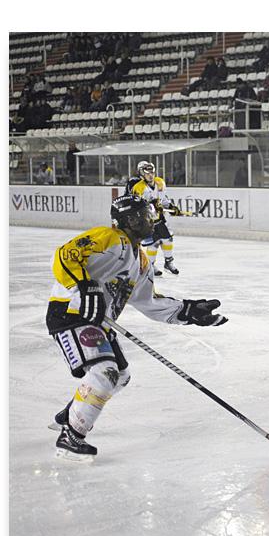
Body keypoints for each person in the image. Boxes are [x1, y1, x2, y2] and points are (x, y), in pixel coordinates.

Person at [45, 194, 227, 460]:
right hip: (71, 313)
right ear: (129, 220)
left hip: (99, 322)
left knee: (120, 376)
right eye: (145, 216)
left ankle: (71, 414)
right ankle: (70, 437)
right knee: (105, 372)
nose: (151, 220)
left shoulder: (141, 262)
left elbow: (149, 302)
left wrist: (188, 311)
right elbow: (65, 255)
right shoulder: (109, 237)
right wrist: (85, 286)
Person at [129, 161, 184, 276]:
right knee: (153, 244)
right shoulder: (138, 188)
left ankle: (168, 263)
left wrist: (171, 207)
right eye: (147, 173)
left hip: (159, 218)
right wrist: (150, 206)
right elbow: (136, 207)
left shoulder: (160, 182)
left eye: (152, 173)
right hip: (147, 222)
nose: (150, 175)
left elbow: (164, 200)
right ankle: (150, 265)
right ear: (142, 174)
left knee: (167, 239)